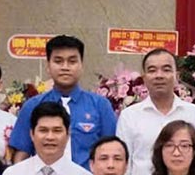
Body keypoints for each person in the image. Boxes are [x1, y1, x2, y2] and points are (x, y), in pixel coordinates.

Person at [8, 35, 118, 168]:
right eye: (58, 61)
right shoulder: (32, 106)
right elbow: (22, 153)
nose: (65, 67)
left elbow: (112, 150)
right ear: (48, 66)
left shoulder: (100, 105)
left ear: (81, 65)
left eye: (72, 61)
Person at [117, 48, 195, 175]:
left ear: (176, 76)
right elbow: (123, 165)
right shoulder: (129, 116)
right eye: (152, 70)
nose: (159, 75)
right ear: (144, 78)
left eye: (166, 70)